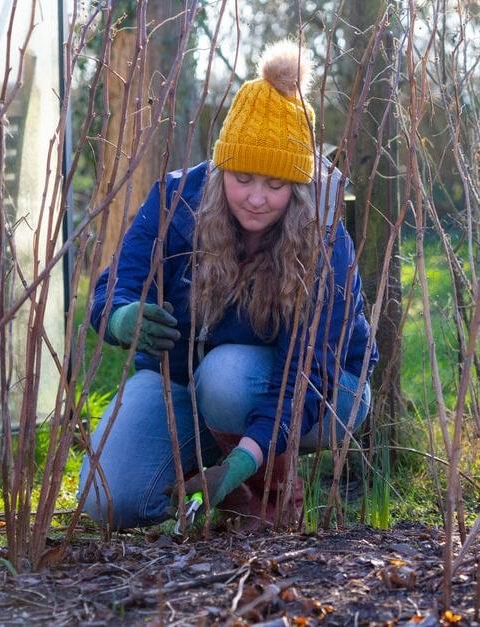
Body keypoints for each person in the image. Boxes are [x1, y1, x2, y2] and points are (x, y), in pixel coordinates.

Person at [78, 40, 377, 530]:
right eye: (242, 178)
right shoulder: (175, 201)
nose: (257, 199)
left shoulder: (323, 235)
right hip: (181, 380)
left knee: (225, 375)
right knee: (105, 499)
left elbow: (308, 368)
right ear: (220, 169)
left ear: (299, 186)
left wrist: (248, 458)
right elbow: (117, 285)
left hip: (323, 390)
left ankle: (264, 497)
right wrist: (120, 317)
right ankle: (207, 497)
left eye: (276, 185)